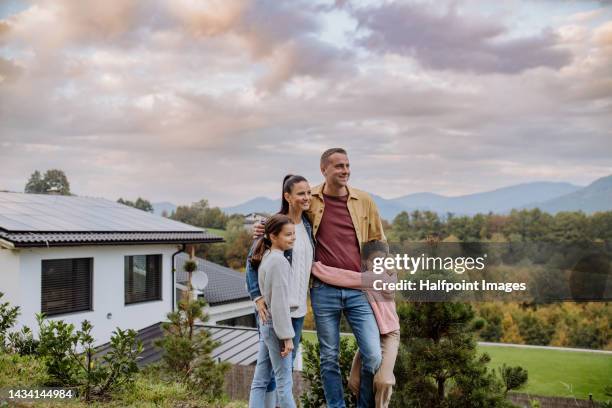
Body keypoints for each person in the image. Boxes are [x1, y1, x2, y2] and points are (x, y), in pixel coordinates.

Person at [254, 148, 386, 408]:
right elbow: (285, 218)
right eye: (338, 166)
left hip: (358, 289)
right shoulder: (310, 198)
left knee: (373, 354)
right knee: (328, 357)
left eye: (347, 165)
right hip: (323, 290)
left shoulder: (365, 200)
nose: (345, 170)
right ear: (323, 169)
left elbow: (378, 241)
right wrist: (262, 228)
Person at [247, 175, 315, 407]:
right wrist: (257, 298)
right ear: (287, 196)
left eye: (309, 192)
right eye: (301, 193)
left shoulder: (307, 225)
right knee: (281, 377)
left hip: (296, 312)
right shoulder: (275, 228)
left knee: (267, 375)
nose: (306, 197)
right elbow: (252, 264)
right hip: (277, 314)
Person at [311, 240, 400, 408]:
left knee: (383, 381)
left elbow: (343, 277)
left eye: (383, 261)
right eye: (375, 261)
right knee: (354, 382)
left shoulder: (381, 277)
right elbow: (348, 278)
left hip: (389, 333)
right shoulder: (364, 277)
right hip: (374, 332)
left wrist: (316, 268)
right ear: (365, 262)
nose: (379, 265)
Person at [248, 214, 298, 408]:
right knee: (284, 382)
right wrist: (286, 337)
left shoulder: (268, 256)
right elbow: (279, 303)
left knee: (260, 380)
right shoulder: (278, 262)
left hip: (267, 324)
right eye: (288, 234)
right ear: (272, 236)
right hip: (276, 327)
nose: (292, 238)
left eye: (293, 234)